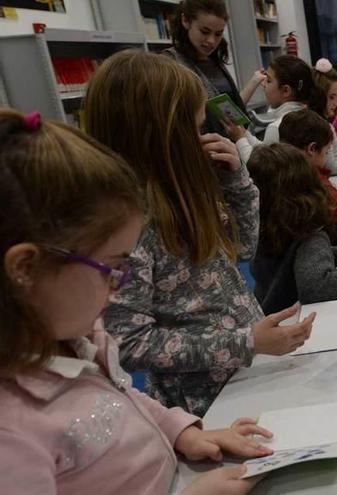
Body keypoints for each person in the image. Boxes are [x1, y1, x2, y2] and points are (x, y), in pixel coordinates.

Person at [0, 108, 273, 495]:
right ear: (25, 267)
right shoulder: (12, 437)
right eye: (110, 267)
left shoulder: (79, 338)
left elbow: (125, 400)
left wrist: (180, 432)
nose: (119, 285)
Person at [84, 50, 315, 417]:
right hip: (205, 405)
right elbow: (127, 343)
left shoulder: (185, 190)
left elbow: (242, 249)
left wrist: (238, 181)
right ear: (159, 137)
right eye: (194, 130)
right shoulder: (126, 225)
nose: (203, 138)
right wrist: (245, 342)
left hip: (246, 373)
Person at [249, 143, 337, 312]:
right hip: (292, 321)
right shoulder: (310, 233)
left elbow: (293, 260)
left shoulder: (264, 225)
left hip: (267, 312)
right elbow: (316, 289)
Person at [164, 0, 266, 136]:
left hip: (233, 146)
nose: (211, 41)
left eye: (218, 34)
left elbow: (228, 111)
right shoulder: (170, 64)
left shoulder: (215, 61)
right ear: (185, 21)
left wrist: (254, 81)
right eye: (204, 31)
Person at [228, 55, 325, 165]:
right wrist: (244, 134)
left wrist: (240, 139)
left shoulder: (277, 127)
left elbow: (261, 168)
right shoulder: (307, 117)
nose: (263, 84)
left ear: (286, 90)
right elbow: (265, 148)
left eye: (268, 81)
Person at [281, 109, 337, 224]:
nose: (326, 157)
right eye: (326, 152)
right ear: (312, 149)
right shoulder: (308, 177)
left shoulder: (277, 169)